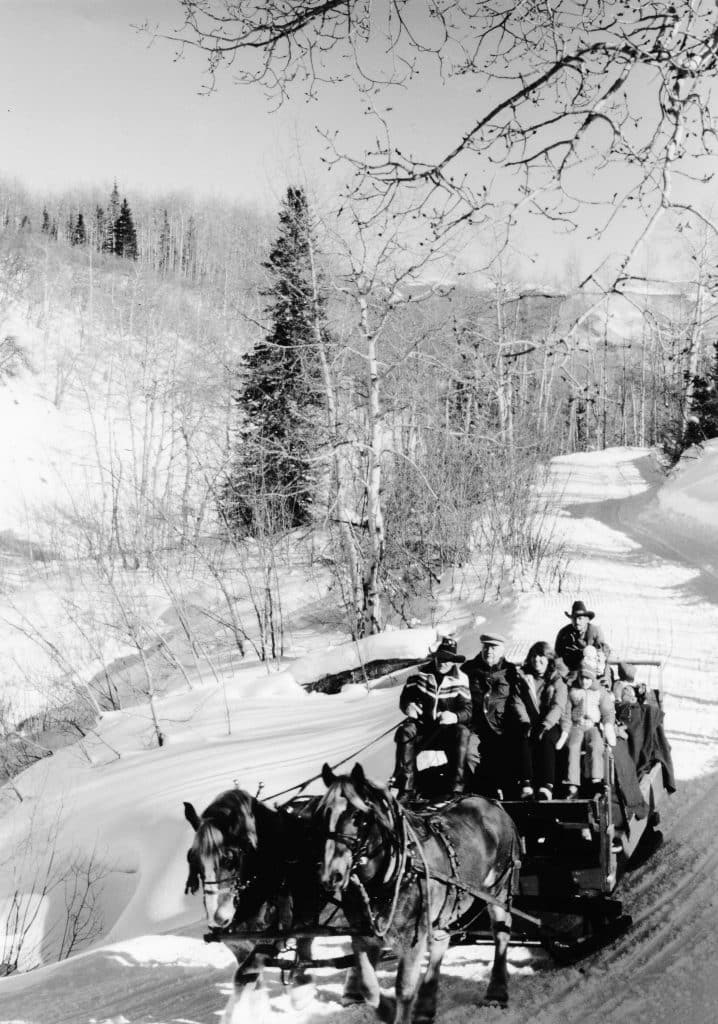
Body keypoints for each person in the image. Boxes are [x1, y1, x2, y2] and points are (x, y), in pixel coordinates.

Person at [392, 636, 472, 800]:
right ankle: (407, 788)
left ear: (454, 661)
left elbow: (468, 710)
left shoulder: (461, 678)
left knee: (462, 732)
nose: (443, 662)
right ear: (436, 657)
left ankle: (456, 789)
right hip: (423, 728)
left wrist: (454, 716)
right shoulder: (419, 674)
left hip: (445, 731)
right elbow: (405, 698)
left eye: (448, 659)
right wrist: (408, 707)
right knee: (405, 731)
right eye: (441, 658)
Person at [463, 632, 527, 799]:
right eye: (486, 647)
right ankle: (479, 795)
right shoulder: (468, 669)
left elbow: (520, 698)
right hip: (475, 727)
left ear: (502, 650)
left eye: (493, 647)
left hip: (502, 727)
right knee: (469, 753)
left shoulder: (510, 671)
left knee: (508, 754)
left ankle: (511, 797)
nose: (489, 651)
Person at [513, 641, 569, 800]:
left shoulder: (557, 679)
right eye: (534, 658)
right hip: (530, 721)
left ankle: (547, 786)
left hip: (551, 722)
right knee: (523, 737)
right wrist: (525, 722)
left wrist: (546, 724)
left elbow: (559, 705)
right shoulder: (523, 678)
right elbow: (517, 701)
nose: (537, 661)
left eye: (541, 657)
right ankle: (526, 784)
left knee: (547, 738)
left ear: (549, 659)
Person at [557, 665, 616, 797]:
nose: (585, 682)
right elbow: (566, 714)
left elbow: (608, 711)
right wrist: (565, 731)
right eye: (582, 678)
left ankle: (596, 779)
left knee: (596, 745)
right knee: (572, 746)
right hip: (576, 725)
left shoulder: (599, 691)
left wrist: (608, 726)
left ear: (593, 679)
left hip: (592, 725)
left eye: (588, 679)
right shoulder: (573, 691)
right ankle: (572, 784)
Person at [555, 600, 611, 672]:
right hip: (571, 668)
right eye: (574, 618)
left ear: (587, 619)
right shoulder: (564, 633)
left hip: (592, 669)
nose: (577, 622)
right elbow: (558, 655)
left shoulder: (595, 631)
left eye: (580, 618)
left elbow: (603, 653)